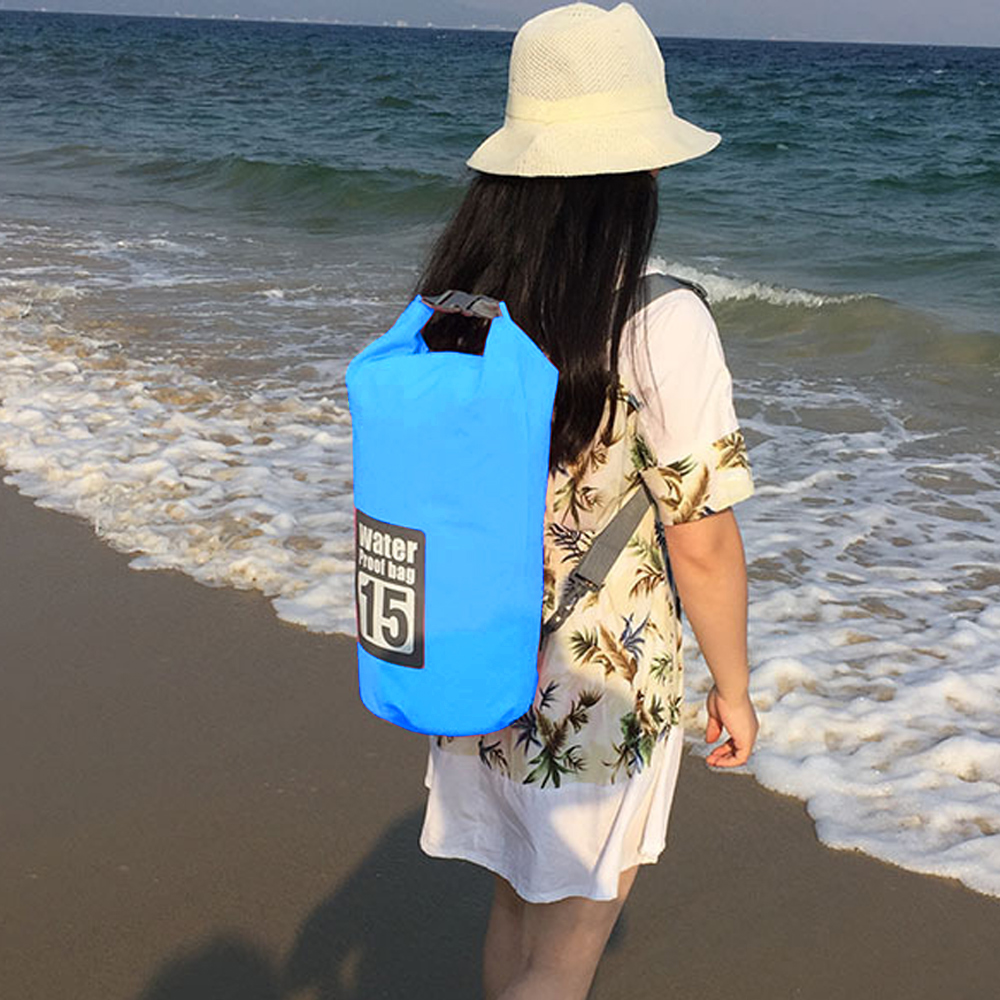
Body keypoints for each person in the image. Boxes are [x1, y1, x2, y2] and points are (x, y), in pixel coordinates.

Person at [415, 4, 758, 998]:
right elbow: (701, 542)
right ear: (636, 175)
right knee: (563, 960)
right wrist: (733, 688)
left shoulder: (456, 308)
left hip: (485, 668)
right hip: (598, 689)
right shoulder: (659, 318)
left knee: (516, 909)